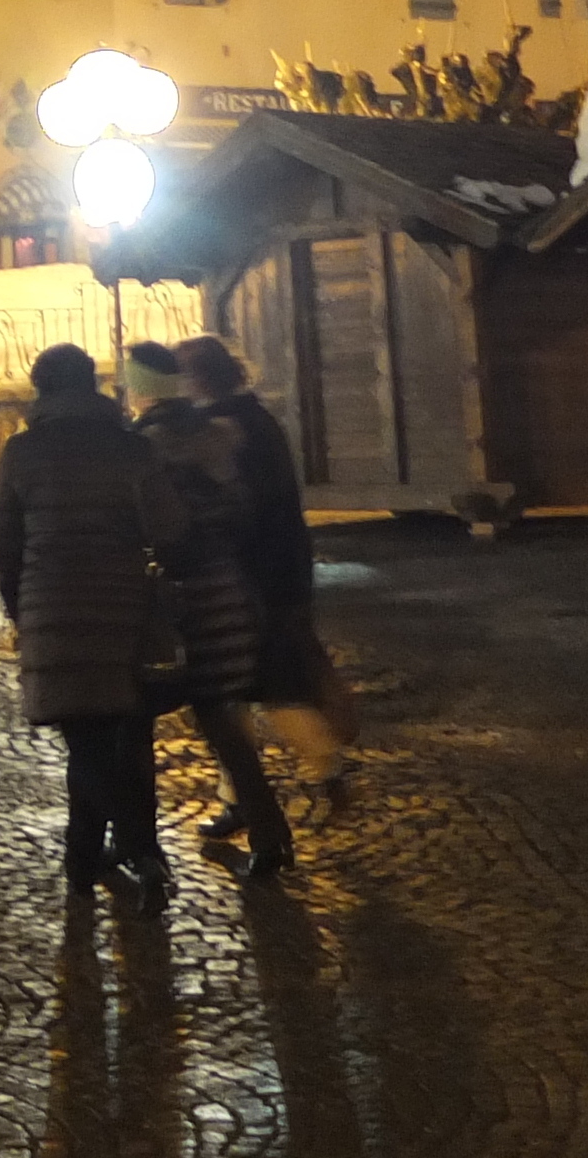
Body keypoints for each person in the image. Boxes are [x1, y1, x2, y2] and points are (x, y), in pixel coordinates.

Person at [0, 342, 194, 904]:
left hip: (53, 610)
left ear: (41, 390)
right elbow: (171, 527)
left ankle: (101, 859)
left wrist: (20, 609)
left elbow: (4, 544)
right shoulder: (131, 450)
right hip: (124, 611)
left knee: (87, 741)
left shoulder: (22, 453)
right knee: (127, 736)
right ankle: (133, 852)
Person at [124, 342, 296, 879]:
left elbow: (149, 524)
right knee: (222, 718)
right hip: (229, 588)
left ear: (140, 389)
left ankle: (263, 841)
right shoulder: (217, 437)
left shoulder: (145, 449)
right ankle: (264, 831)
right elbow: (243, 511)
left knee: (179, 723)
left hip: (181, 600)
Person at [177, 331, 356, 820]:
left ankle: (313, 771)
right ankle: (245, 792)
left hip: (252, 577)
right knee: (250, 687)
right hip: (274, 573)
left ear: (198, 379)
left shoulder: (225, 428)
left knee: (256, 686)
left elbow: (244, 510)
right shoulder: (251, 419)